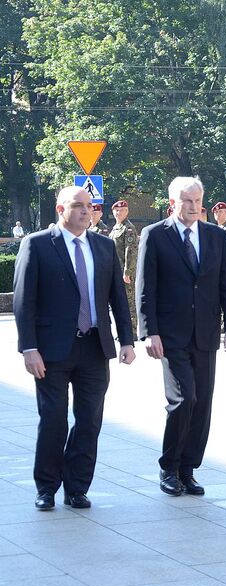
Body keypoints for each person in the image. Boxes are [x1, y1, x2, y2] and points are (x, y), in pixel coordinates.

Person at [13, 187, 136, 510]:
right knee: (53, 418)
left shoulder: (104, 246)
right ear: (60, 209)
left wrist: (126, 339)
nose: (86, 211)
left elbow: (117, 297)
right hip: (51, 351)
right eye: (78, 205)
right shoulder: (38, 244)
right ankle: (46, 488)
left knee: (89, 420)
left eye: (90, 206)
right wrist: (29, 347)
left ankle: (77, 488)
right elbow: (24, 300)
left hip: (94, 347)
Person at [135, 177, 226, 497]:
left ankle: (188, 469)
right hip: (170, 335)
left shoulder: (216, 236)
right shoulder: (155, 235)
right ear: (173, 203)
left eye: (197, 201)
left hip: (205, 332)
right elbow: (145, 286)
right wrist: (149, 331)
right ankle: (169, 467)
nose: (194, 207)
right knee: (184, 398)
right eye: (187, 201)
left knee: (203, 402)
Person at [108, 200, 139, 338]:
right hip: (116, 271)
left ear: (127, 212)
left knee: (128, 302)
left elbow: (130, 251)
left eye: (122, 210)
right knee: (120, 302)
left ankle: (131, 332)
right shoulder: (116, 228)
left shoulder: (128, 228)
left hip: (125, 272)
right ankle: (123, 332)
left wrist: (128, 272)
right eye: (116, 210)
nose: (118, 213)